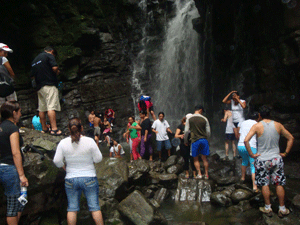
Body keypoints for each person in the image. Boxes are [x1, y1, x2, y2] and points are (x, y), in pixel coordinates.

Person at [244, 105, 294, 217]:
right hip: (276, 159)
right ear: (270, 115)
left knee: (264, 184)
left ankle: (268, 208)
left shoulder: (257, 126)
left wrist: (252, 154)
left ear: (260, 115)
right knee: (279, 183)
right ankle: (282, 208)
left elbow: (246, 140)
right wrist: (285, 153)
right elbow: (291, 138)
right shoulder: (278, 125)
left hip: (262, 159)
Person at [53, 118, 104, 225]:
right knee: (95, 207)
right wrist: (91, 161)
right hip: (89, 177)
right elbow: (98, 158)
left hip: (71, 178)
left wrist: (64, 167)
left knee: (72, 208)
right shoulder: (89, 141)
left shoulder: (63, 143)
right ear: (82, 128)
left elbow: (57, 160)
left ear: (68, 129)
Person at [0, 101, 29, 225]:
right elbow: (15, 152)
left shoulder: (1, 127)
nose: (21, 114)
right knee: (13, 206)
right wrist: (21, 175)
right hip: (10, 169)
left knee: (19, 201)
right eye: (19, 111)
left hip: (2, 167)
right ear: (14, 113)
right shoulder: (12, 128)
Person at [31, 46, 61, 135]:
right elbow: (54, 68)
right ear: (51, 51)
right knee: (51, 106)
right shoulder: (49, 55)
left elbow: (32, 75)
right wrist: (57, 72)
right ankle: (54, 129)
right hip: (49, 84)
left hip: (39, 87)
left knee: (42, 109)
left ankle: (44, 128)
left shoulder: (35, 60)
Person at [184, 105, 211, 180]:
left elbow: (186, 131)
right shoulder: (205, 119)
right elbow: (208, 132)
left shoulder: (189, 118)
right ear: (200, 110)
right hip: (204, 140)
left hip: (195, 140)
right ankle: (206, 174)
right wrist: (207, 140)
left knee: (195, 159)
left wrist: (185, 140)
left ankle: (199, 174)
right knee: (204, 158)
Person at [237, 112, 261, 192]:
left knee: (244, 161)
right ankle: (254, 186)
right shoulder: (257, 123)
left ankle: (242, 178)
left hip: (240, 145)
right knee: (253, 165)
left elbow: (239, 134)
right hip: (250, 145)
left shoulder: (243, 123)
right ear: (257, 118)